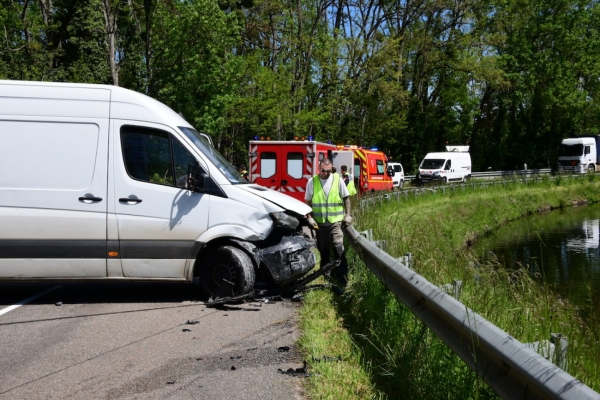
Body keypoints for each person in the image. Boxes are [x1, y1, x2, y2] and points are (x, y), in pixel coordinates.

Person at [305, 158, 353, 285]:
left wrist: (348, 215)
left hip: (335, 222)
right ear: (319, 168)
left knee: (338, 248)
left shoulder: (337, 180)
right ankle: (326, 276)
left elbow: (346, 198)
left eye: (328, 171)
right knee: (324, 250)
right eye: (323, 170)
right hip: (319, 223)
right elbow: (308, 202)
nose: (325, 173)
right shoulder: (312, 181)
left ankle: (342, 277)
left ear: (331, 169)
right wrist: (309, 218)